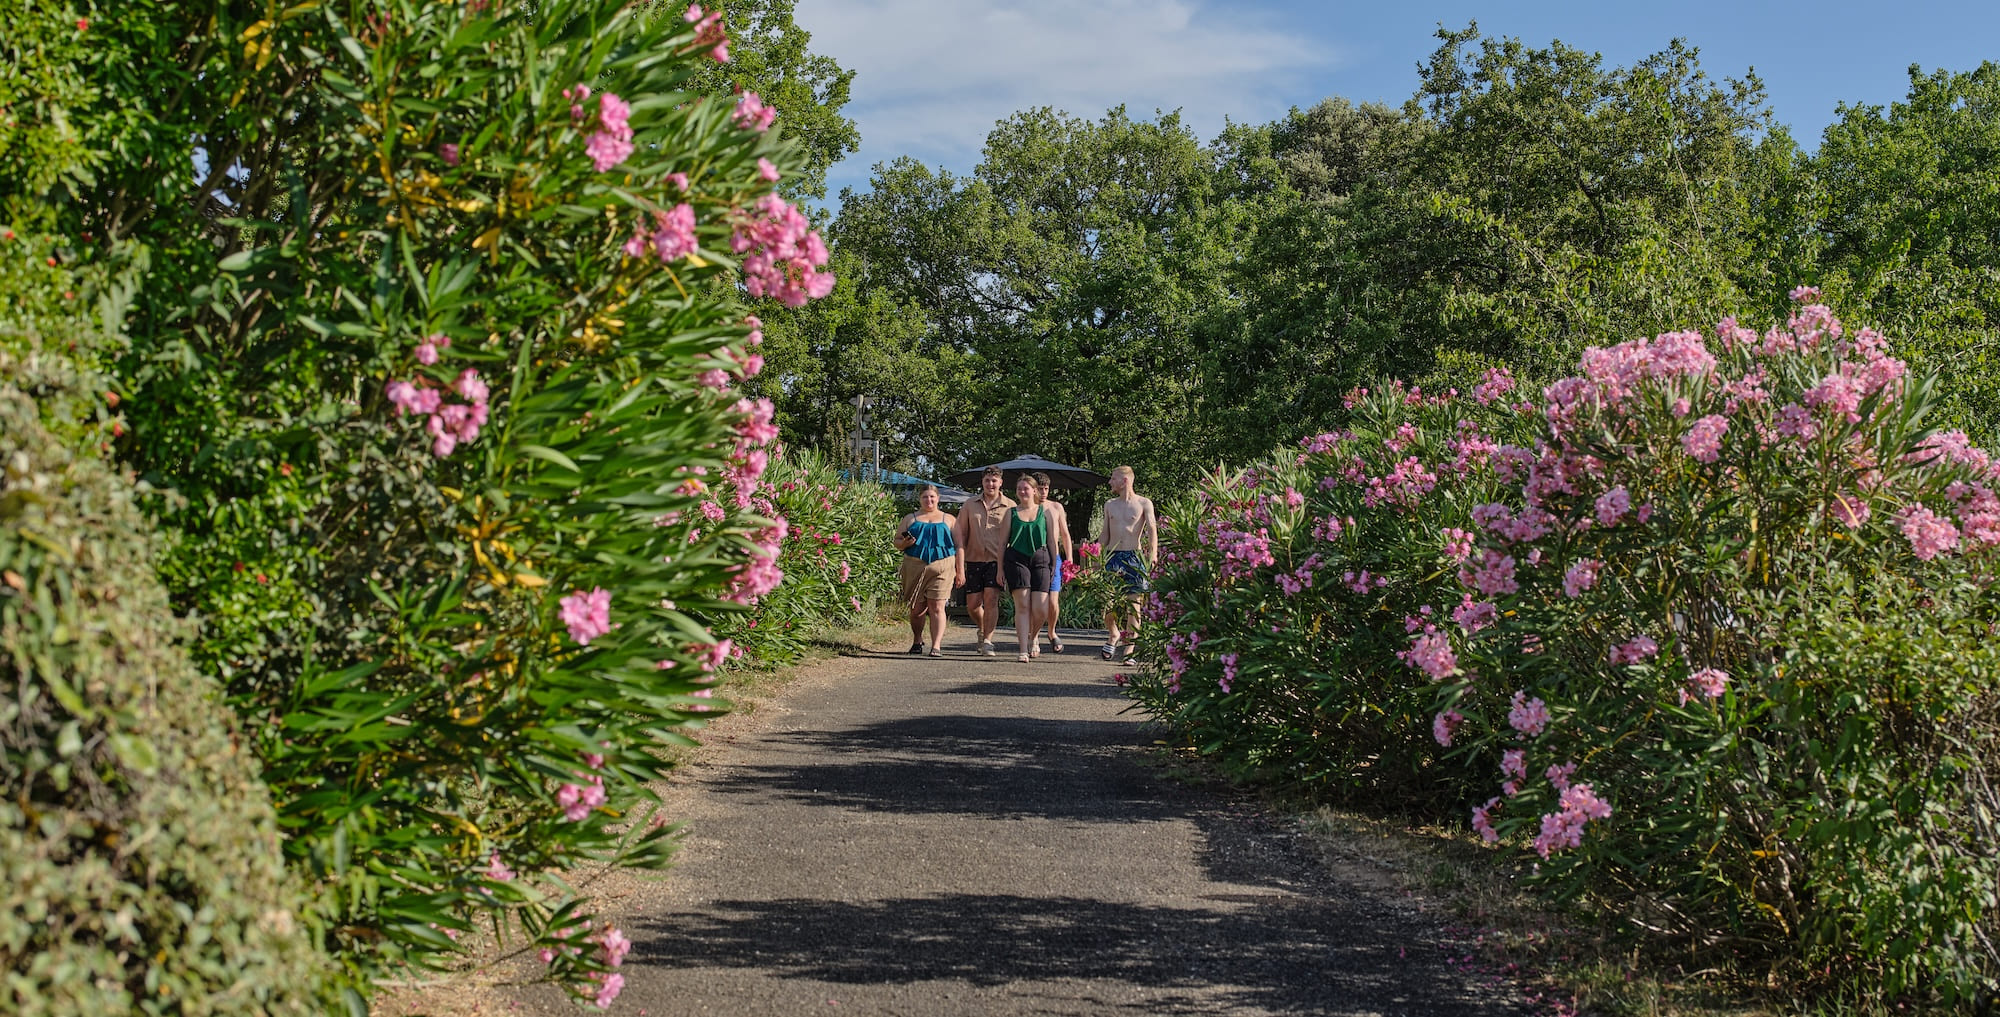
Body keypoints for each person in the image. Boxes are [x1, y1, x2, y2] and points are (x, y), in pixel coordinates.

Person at [951, 466, 1015, 656]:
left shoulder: (1010, 506)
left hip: (997, 560)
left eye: (994, 480)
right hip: (973, 558)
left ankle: (988, 640)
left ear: (1001, 482)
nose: (990, 484)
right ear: (982, 482)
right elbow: (960, 535)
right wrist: (959, 567)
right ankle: (982, 628)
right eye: (987, 480)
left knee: (991, 599)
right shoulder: (970, 504)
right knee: (972, 604)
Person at [1096, 465, 1157, 663]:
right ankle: (1113, 634)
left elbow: (1152, 531)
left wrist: (1153, 555)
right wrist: (1095, 552)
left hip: (1134, 557)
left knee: (1134, 605)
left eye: (1113, 478)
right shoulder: (1110, 504)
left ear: (1125, 481)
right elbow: (1105, 533)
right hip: (1113, 556)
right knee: (1107, 602)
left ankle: (1129, 649)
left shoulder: (1144, 503)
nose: (1110, 482)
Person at [894, 485, 958, 657]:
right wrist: (906, 543)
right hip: (914, 566)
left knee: (937, 606)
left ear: (938, 498)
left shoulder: (949, 519)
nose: (929, 500)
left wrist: (960, 570)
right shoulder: (910, 518)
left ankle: (936, 645)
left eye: (932, 497)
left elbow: (959, 546)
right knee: (917, 609)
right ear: (919, 499)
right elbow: (897, 542)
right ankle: (917, 639)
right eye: (925, 497)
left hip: (942, 566)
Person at [1002, 474, 1057, 662]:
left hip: (1041, 557)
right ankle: (1023, 649)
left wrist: (1054, 565)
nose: (1022, 492)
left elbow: (1051, 540)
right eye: (1019, 489)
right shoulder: (1011, 513)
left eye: (1026, 488)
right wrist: (1000, 569)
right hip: (1016, 558)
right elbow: (1002, 543)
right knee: (1023, 605)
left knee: (1041, 608)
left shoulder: (1046, 512)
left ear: (1034, 490)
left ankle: (1034, 636)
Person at [1031, 472, 1075, 652]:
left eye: (1046, 489)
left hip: (1054, 559)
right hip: (1034, 558)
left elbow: (1065, 534)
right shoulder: (1028, 508)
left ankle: (1051, 631)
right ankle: (1033, 638)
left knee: (1053, 602)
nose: (1043, 492)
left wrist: (1069, 558)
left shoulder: (1056, 507)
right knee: (1036, 602)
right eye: (1040, 489)